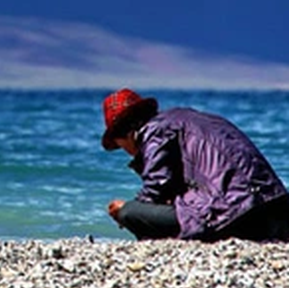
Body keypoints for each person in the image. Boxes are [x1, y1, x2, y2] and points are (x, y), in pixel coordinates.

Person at [101, 88, 289, 242]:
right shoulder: (189, 120)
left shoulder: (154, 131)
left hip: (234, 214)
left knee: (129, 213)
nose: (125, 151)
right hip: (273, 206)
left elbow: (156, 187)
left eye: (119, 145)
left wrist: (124, 209)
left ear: (126, 133)